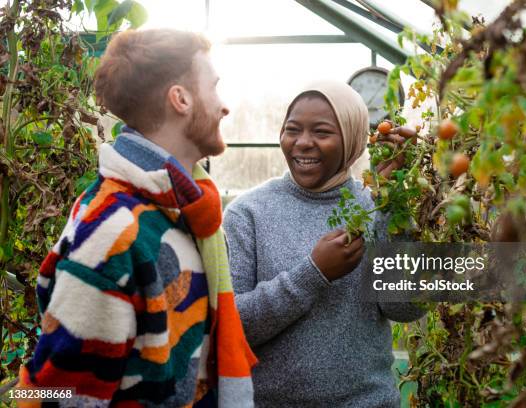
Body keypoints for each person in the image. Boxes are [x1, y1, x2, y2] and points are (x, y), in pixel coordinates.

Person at [18, 29, 256, 407]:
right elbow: (55, 394)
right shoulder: (113, 231)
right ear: (180, 99)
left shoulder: (185, 208)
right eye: (214, 87)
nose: (224, 106)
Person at [223, 80, 425, 407]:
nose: (303, 143)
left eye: (321, 132)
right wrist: (314, 273)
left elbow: (406, 308)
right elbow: (233, 326)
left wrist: (393, 204)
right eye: (293, 130)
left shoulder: (373, 207)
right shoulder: (248, 214)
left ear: (352, 140)